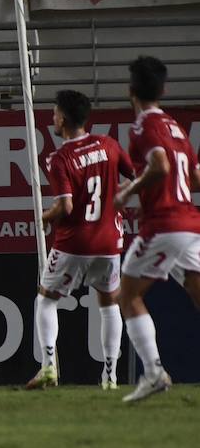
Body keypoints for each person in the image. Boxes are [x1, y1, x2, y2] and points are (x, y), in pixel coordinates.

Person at [28, 90, 135, 390]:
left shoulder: (59, 158)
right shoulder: (109, 145)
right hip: (110, 241)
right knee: (108, 303)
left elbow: (66, 207)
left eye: (54, 113)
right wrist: (118, 199)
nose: (52, 117)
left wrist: (44, 218)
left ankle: (49, 366)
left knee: (46, 299)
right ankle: (110, 377)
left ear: (62, 118)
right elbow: (137, 177)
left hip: (74, 242)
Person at [112, 56, 200, 403]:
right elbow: (194, 177)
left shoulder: (143, 126)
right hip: (191, 222)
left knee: (128, 295)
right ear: (163, 89)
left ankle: (153, 373)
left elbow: (161, 165)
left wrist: (128, 190)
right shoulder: (176, 126)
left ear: (130, 91)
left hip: (164, 223)